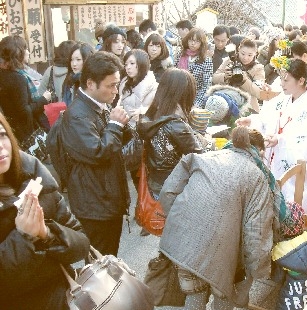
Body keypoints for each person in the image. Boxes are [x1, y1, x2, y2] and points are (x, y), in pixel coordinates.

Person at [158, 126, 275, 310]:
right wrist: (257, 268)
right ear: (257, 152)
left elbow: (168, 192)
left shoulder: (202, 157)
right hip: (224, 248)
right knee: (224, 292)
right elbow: (256, 231)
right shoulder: (256, 176)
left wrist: (182, 223)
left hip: (185, 239)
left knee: (194, 293)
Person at [0, 113, 90, 310]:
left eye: (2, 135)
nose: (0, 147)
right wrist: (22, 237)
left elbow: (81, 243)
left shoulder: (32, 176)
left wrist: (47, 234)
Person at [237, 59, 307, 213]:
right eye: (281, 79)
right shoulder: (284, 98)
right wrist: (252, 120)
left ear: (301, 80)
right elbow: (267, 118)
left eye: (286, 80)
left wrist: (280, 140)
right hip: (276, 157)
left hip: (293, 164)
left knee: (289, 206)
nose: (281, 83)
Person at [60, 51, 130, 256]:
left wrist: (121, 125)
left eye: (117, 84)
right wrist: (116, 125)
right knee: (101, 264)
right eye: (111, 85)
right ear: (91, 84)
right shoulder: (77, 115)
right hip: (95, 204)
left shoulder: (98, 106)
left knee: (108, 259)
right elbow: (98, 152)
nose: (116, 91)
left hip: (103, 197)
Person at [137, 68, 203, 201]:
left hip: (155, 181)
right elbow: (200, 155)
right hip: (173, 185)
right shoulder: (176, 124)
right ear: (184, 94)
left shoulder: (152, 115)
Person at [118, 49, 158, 189]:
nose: (128, 67)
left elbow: (154, 111)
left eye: (132, 63)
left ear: (141, 64)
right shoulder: (124, 83)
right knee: (134, 173)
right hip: (126, 131)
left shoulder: (152, 86)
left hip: (143, 136)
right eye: (126, 63)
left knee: (144, 177)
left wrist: (143, 112)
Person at [0, 36, 52, 143]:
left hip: (11, 130)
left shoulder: (5, 74)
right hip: (24, 134)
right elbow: (24, 111)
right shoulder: (17, 78)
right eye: (25, 49)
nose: (28, 52)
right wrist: (43, 99)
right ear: (18, 53)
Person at [212, 38, 265, 112]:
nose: (245, 58)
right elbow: (214, 78)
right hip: (225, 99)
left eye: (250, 55)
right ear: (238, 50)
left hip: (247, 105)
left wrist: (244, 80)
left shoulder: (258, 68)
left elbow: (259, 93)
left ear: (255, 54)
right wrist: (224, 76)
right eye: (243, 54)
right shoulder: (230, 60)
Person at [175, 28, 213, 108]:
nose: (193, 43)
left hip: (195, 96)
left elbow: (206, 85)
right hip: (177, 93)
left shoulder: (206, 60)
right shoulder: (180, 54)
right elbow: (173, 73)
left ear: (201, 43)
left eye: (197, 41)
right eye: (191, 40)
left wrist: (197, 104)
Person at [62, 42, 95, 106]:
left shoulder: (93, 82)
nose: (74, 64)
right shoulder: (69, 80)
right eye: (72, 60)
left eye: (78, 60)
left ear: (87, 60)